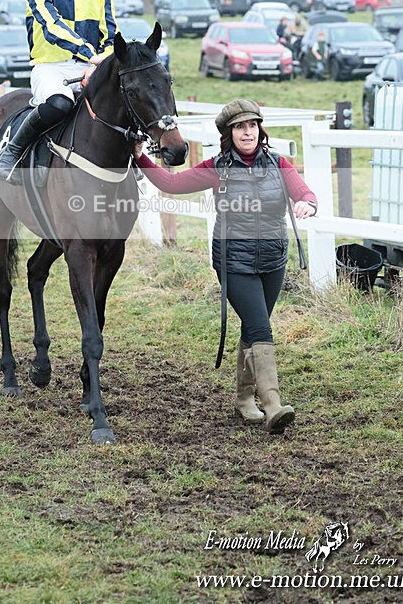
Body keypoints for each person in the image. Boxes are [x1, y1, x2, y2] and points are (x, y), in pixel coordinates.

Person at [133, 99, 318, 434]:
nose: (247, 132)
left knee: (253, 326)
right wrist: (140, 157)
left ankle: (244, 398)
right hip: (234, 260)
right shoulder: (216, 167)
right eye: (239, 127)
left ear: (259, 129)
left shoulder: (279, 163)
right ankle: (273, 403)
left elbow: (304, 192)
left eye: (252, 125)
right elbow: (172, 185)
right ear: (228, 133)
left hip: (274, 259)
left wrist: (307, 203)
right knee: (261, 328)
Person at [0, 0, 117, 181]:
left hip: (91, 68)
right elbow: (53, 27)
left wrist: (99, 66)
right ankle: (13, 151)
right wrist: (89, 55)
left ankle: (131, 160)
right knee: (60, 104)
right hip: (50, 68)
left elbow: (111, 38)